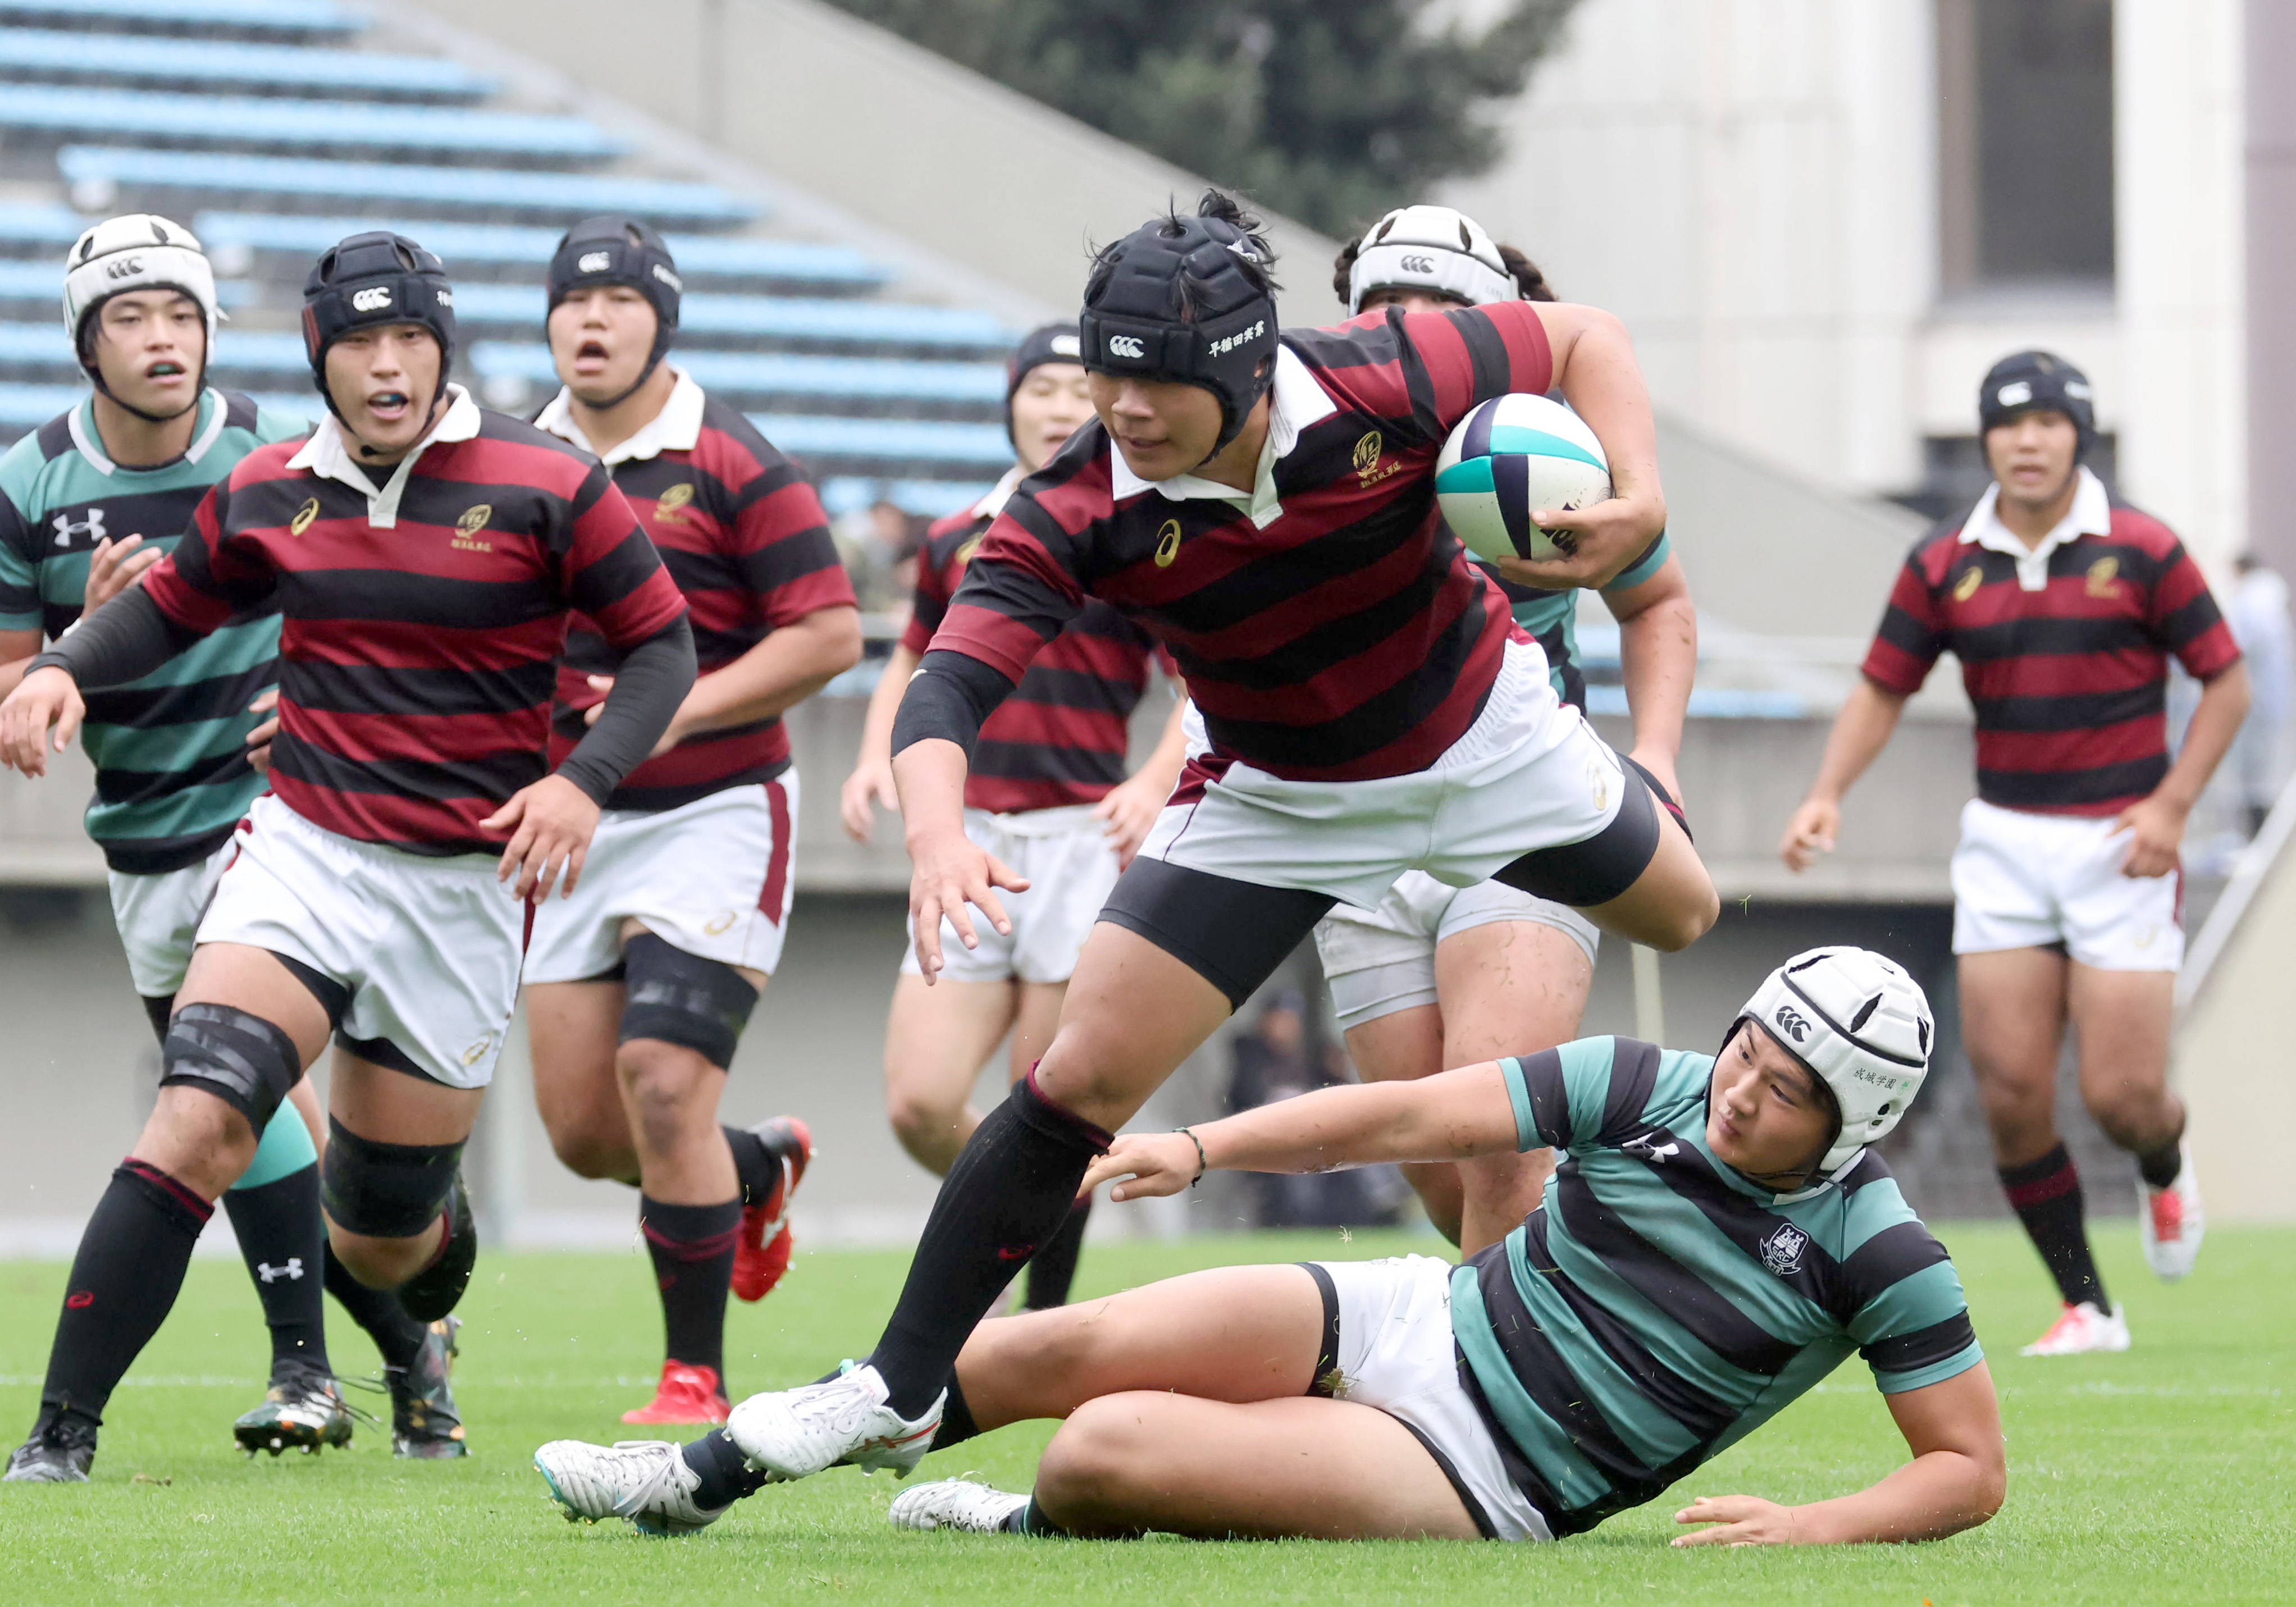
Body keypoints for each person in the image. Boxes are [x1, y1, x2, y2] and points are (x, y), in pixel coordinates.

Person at [532, 189, 1719, 1521]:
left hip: (1489, 740)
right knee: (1077, 1077)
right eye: (1107, 379)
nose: (1124, 411)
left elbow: (1591, 338)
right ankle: (897, 1383)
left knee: (1686, 910)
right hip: (1285, 796)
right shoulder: (1076, 500)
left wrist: (1640, 495)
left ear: (1246, 369)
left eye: (1156, 386)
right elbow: (943, 689)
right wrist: (937, 832)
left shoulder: (1389, 373)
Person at [540, 949, 2005, 1549]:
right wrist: (1204, 1143)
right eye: (1751, 1047)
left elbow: (1968, 1466)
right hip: (1417, 1316)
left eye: (1788, 1088)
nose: (1744, 1087)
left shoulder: (1879, 1247)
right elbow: (1408, 1106)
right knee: (1018, 1349)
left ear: (1852, 1117)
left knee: (1100, 1447)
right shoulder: (1654, 1081)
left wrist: (1811, 1523)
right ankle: (698, 1472)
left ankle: (1015, 1522)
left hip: (1488, 1469)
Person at [0, 231, 694, 1481]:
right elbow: (168, 605)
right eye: (362, 344)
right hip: (303, 854)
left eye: (412, 341)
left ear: (445, 351)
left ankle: (413, 1290)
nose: (388, 367)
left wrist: (581, 783)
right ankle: (58, 1440)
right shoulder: (270, 485)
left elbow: (661, 649)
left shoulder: (547, 481)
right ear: (320, 359)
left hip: (460, 894)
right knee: (197, 1114)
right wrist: (59, 665)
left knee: (382, 1236)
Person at [0, 215, 465, 1462]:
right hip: (143, 834)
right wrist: (76, 648)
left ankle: (285, 1375)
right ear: (86, 343)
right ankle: (411, 1357)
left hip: (286, 819)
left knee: (225, 1102)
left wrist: (322, 692)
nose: (162, 341)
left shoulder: (280, 449)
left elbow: (382, 597)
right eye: (131, 319)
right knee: (256, 1122)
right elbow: (12, 694)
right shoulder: (29, 483)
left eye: (182, 316)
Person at [1779, 351, 2248, 1357]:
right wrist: (1824, 795)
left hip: (2120, 839)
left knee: (2120, 1098)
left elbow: (2225, 683)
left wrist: (2170, 806)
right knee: (2007, 1094)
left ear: (2078, 435)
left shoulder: (2142, 547)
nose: (2026, 440)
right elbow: (1879, 687)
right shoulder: (1943, 559)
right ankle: (2087, 1304)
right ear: (1985, 440)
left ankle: (2162, 1163)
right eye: (2006, 423)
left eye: (2047, 421)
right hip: (2001, 842)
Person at [1314, 206, 1698, 1256]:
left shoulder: (1540, 451)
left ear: (1495, 326)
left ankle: (1524, 1403)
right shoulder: (1308, 452)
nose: (1407, 328)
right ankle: (1606, 1262)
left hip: (1522, 804)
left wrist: (1654, 757)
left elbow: (1655, 603)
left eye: (1437, 307)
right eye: (1384, 306)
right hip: (1359, 832)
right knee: (1441, 1182)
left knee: (1496, 1139)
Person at [523, 217, 856, 1426]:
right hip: (570, 820)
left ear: (663, 321)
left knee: (663, 1085)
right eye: (572, 301)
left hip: (716, 806)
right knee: (581, 1131)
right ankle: (756, 1166)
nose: (591, 321)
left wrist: (668, 713)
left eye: (617, 302)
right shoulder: (520, 459)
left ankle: (693, 1378)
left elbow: (827, 634)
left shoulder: (730, 458)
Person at [839, 322, 1186, 1312]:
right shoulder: (955, 537)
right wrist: (876, 757)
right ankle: (1029, 1211)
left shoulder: (1135, 531)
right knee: (918, 1102)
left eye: (1076, 392)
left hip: (1082, 840)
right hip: (969, 844)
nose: (1056, 408)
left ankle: (1045, 1327)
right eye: (1038, 389)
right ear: (1009, 404)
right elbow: (912, 662)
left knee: (1050, 1107)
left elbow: (1195, 682)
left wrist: (1155, 776)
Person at [2224, 551, 2293, 837]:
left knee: (2258, 768)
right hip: (2270, 695)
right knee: (2263, 766)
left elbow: (2239, 643)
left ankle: (2258, 831)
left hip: (2258, 696)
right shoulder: (2268, 597)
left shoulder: (2254, 600)